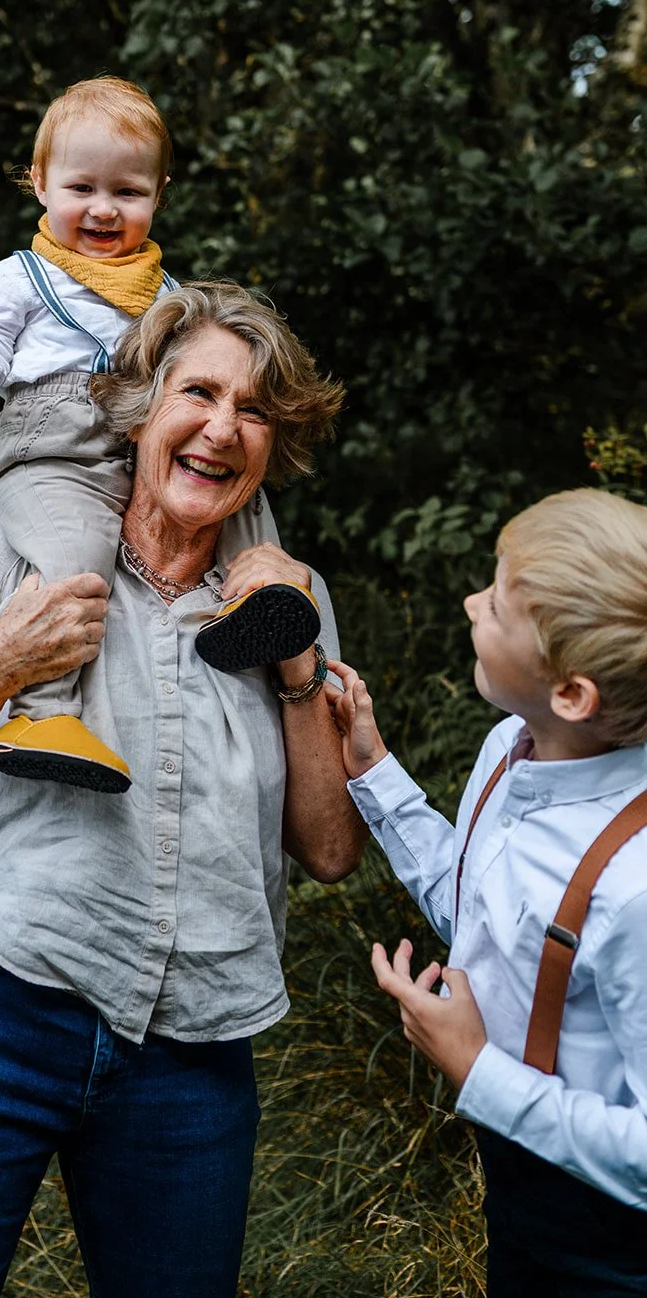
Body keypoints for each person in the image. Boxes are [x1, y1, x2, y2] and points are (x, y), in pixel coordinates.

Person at [0, 281, 365, 1298]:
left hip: (196, 1048)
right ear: (142, 409)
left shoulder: (287, 596)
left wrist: (299, 662)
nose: (223, 428)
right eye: (200, 393)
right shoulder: (17, 559)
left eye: (256, 410)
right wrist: (1, 665)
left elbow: (329, 850)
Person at [0, 77, 321, 792]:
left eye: (128, 193)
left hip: (136, 439)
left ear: (159, 194)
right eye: (82, 188)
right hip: (53, 451)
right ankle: (41, 711)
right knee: (79, 557)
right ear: (40, 184)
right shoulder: (19, 279)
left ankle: (247, 609)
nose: (104, 210)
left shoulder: (166, 294)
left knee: (242, 504)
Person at [328, 489, 647, 1296]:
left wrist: (474, 1068)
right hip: (523, 1202)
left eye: (498, 604)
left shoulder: (637, 885)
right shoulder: (512, 745)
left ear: (572, 693)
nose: (471, 601)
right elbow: (492, 919)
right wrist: (372, 771)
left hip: (616, 1254)